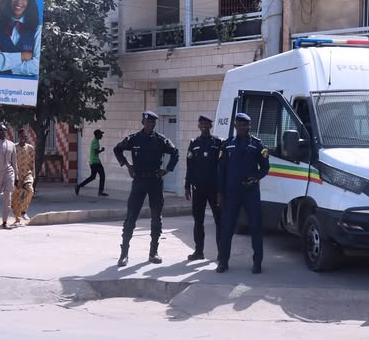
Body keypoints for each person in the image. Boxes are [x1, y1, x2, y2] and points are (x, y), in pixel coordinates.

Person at [113, 111, 179, 267]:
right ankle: (124, 254)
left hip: (155, 181)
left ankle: (153, 252)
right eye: (148, 122)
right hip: (139, 181)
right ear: (143, 122)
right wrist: (127, 165)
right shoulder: (133, 139)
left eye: (153, 123)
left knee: (156, 218)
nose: (150, 125)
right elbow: (117, 149)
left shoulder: (160, 140)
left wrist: (167, 170)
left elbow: (175, 152)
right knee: (131, 217)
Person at [216, 113, 270, 274]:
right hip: (232, 193)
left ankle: (257, 263)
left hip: (250, 193)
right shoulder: (227, 145)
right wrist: (220, 192)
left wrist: (257, 177)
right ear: (235, 126)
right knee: (227, 228)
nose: (242, 127)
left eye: (245, 125)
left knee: (256, 227)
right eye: (239, 125)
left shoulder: (257, 145)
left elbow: (265, 167)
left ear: (249, 126)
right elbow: (221, 170)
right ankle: (223, 262)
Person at [185, 115, 222, 261]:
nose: (204, 126)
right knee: (198, 221)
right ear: (199, 126)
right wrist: (187, 186)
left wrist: (222, 189)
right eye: (202, 124)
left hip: (214, 188)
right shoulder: (194, 143)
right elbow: (190, 167)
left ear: (210, 126)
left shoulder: (218, 143)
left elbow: (222, 166)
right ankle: (198, 252)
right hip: (198, 188)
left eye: (207, 124)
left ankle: (221, 253)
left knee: (219, 221)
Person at [0, 123, 18, 229]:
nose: (2, 132)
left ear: (6, 132)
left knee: (7, 196)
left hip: (8, 172)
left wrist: (17, 177)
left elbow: (14, 162)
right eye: (0, 130)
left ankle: (5, 222)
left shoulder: (11, 145)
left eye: (4, 130)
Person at [12, 128, 35, 224]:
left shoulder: (30, 148)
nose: (23, 138)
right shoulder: (13, 148)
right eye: (21, 136)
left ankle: (23, 211)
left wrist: (33, 175)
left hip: (27, 174)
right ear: (18, 137)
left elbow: (32, 163)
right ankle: (17, 218)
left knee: (30, 190)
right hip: (16, 175)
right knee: (16, 195)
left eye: (25, 136)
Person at [76, 129, 108, 196]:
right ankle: (100, 192)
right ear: (97, 135)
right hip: (95, 162)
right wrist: (102, 150)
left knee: (93, 177)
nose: (102, 135)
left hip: (93, 162)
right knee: (102, 176)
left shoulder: (95, 141)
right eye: (101, 134)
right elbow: (96, 152)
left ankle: (79, 186)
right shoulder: (95, 142)